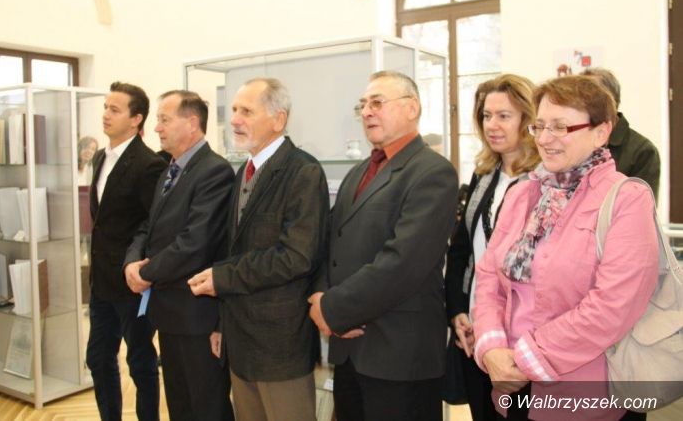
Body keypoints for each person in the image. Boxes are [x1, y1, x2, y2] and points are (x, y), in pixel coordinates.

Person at [472, 75, 659, 421]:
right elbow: (488, 278)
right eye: (540, 126)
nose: (544, 139)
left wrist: (527, 357)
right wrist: (492, 347)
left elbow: (613, 306)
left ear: (601, 132)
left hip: (586, 393)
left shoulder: (627, 199)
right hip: (511, 385)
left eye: (560, 127)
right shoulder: (523, 194)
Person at [308, 70, 459, 421]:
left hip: (399, 355)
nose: (367, 112)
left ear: (412, 108)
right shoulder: (360, 171)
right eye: (363, 105)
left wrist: (332, 310)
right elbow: (330, 243)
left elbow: (402, 262)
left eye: (377, 102)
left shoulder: (433, 173)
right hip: (349, 351)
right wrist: (318, 296)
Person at [188, 78, 328, 421]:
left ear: (278, 119)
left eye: (247, 111)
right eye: (234, 110)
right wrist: (221, 324)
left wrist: (222, 278)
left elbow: (296, 257)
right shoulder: (244, 171)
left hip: (280, 345)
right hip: (240, 341)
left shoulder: (303, 171)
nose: (235, 119)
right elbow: (234, 248)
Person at [123, 90, 235, 421]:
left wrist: (146, 274)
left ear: (192, 123)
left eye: (164, 119)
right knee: (180, 405)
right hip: (169, 312)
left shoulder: (214, 171)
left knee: (207, 407)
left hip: (197, 316)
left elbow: (194, 244)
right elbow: (149, 225)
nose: (156, 127)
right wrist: (131, 263)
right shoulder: (169, 169)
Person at [445, 74, 540, 421]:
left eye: (504, 116)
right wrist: (457, 310)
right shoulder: (484, 174)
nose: (492, 125)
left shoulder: (544, 179)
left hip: (523, 337)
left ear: (527, 119)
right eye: (486, 116)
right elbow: (461, 249)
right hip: (475, 329)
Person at [85, 82, 166, 421]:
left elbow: (153, 223)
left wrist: (141, 268)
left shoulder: (148, 164)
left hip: (132, 284)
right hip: (102, 281)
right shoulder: (100, 157)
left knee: (140, 362)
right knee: (98, 357)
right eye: (105, 107)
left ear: (136, 119)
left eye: (114, 109)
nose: (105, 114)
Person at [581, 67, 660, 199]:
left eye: (588, 98)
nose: (580, 106)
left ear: (611, 102)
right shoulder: (576, 140)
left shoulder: (643, 151)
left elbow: (641, 206)